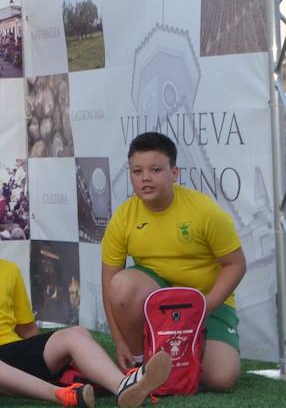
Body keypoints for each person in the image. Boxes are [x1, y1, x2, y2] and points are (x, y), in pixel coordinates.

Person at [0, 196, 169, 408]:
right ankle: (61, 395)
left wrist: (56, 354)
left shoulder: (7, 270)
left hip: (13, 353)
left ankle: (123, 386)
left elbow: (28, 331)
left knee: (75, 334)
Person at [101, 132, 245, 391]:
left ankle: (178, 357)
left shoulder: (204, 210)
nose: (145, 178)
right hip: (157, 302)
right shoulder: (123, 217)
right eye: (137, 171)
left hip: (205, 302)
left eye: (155, 169)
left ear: (174, 173)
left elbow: (236, 264)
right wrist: (119, 340)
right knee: (122, 285)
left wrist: (205, 306)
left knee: (221, 379)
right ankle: (142, 364)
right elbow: (109, 281)